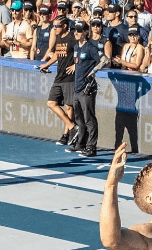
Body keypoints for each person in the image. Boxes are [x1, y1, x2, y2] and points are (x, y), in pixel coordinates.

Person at [40, 17, 78, 145]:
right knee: (51, 103)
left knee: (69, 107)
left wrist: (75, 66)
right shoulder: (59, 38)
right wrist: (47, 65)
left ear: (65, 26)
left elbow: (83, 52)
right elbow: (57, 54)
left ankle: (66, 135)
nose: (54, 28)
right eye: (53, 26)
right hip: (59, 76)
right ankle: (73, 127)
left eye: (56, 26)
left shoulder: (73, 38)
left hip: (70, 77)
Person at [68, 20, 99, 156]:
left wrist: (94, 71)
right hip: (77, 87)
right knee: (79, 118)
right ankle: (81, 144)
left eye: (79, 30)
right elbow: (80, 63)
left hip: (87, 88)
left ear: (86, 32)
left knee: (89, 119)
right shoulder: (76, 47)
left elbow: (104, 60)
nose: (76, 33)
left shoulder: (91, 47)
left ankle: (91, 147)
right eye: (75, 30)